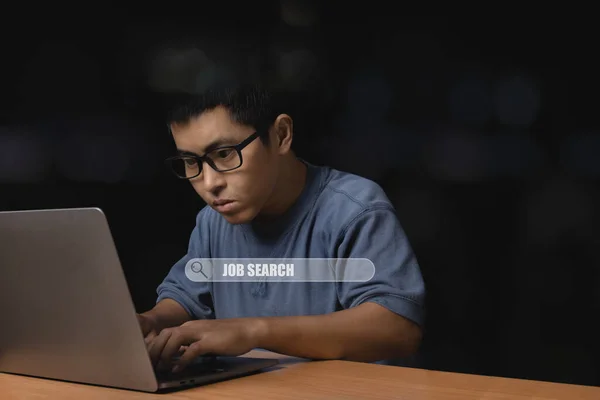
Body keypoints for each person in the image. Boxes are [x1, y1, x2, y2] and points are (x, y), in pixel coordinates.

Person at [137, 84, 426, 373]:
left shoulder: (354, 209)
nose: (210, 183)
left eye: (225, 154)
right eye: (190, 162)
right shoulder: (213, 221)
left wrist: (252, 331)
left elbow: (396, 328)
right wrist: (150, 321)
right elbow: (186, 298)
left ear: (281, 135)